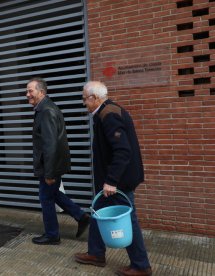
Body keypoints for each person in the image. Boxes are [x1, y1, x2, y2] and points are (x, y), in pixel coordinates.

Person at [74, 81, 152, 276]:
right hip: (112, 181)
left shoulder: (109, 115)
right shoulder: (106, 112)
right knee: (97, 212)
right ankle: (96, 253)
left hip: (119, 182)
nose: (84, 102)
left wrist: (111, 181)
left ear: (94, 98)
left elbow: (123, 151)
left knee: (129, 220)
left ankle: (141, 265)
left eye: (85, 98)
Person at [26, 77, 90, 245]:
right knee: (53, 194)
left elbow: (50, 144)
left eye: (30, 91)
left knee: (46, 198)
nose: (27, 94)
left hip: (50, 166)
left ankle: (52, 235)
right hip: (51, 165)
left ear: (41, 92)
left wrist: (49, 172)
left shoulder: (47, 111)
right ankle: (81, 216)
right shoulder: (44, 109)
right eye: (27, 91)